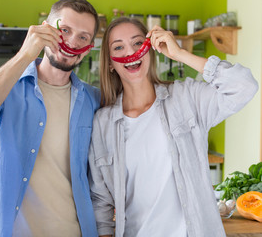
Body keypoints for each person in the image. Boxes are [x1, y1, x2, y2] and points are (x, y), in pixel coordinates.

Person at [88, 17, 258, 237]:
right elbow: (101, 201)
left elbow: (244, 86)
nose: (130, 51)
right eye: (118, 47)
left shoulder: (186, 97)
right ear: (110, 62)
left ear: (150, 49)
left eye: (138, 43)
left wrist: (180, 54)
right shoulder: (103, 123)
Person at [0, 0, 100, 236]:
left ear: (89, 46)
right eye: (64, 31)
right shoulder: (6, 86)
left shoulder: (95, 100)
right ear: (45, 29)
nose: (72, 42)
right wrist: (25, 54)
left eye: (83, 37)